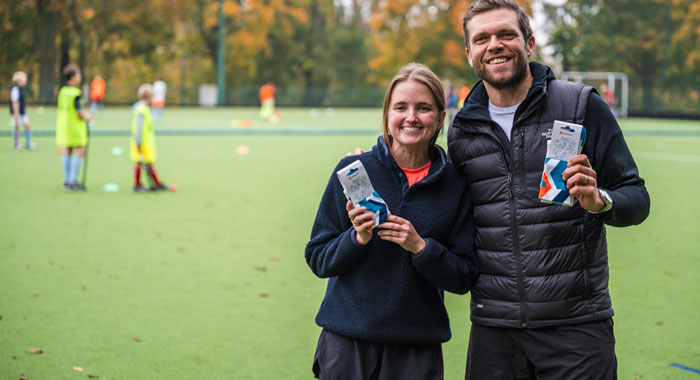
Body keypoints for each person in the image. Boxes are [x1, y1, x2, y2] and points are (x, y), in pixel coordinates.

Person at [447, 1, 650, 379]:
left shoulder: (578, 104)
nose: (495, 45)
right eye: (482, 38)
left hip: (576, 327)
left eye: (506, 34)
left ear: (529, 43)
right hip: (494, 331)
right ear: (469, 52)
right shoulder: (461, 128)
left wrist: (599, 201)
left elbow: (636, 197)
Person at [306, 63, 479, 380]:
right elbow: (317, 257)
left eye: (423, 108)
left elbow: (464, 276)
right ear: (387, 115)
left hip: (416, 347)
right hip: (347, 344)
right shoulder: (353, 170)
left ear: (441, 117)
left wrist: (422, 248)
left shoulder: (455, 184)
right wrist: (356, 239)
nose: (411, 117)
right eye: (401, 107)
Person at [56, 64, 92, 191]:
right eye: (78, 74)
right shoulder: (75, 92)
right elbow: (79, 112)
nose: (80, 77)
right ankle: (73, 181)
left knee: (67, 151)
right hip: (75, 127)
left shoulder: (62, 91)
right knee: (80, 151)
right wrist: (87, 117)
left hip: (64, 126)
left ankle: (66, 181)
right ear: (73, 77)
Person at [130, 83, 167, 192]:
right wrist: (138, 142)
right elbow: (139, 128)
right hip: (142, 143)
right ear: (149, 97)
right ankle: (137, 185)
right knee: (140, 162)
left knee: (147, 163)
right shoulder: (141, 109)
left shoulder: (143, 108)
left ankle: (156, 183)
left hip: (145, 142)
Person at [9, 71, 34, 151]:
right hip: (17, 113)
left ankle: (28, 143)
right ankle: (16, 144)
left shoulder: (21, 89)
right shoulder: (15, 90)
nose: (25, 81)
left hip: (22, 113)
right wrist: (16, 114)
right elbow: (15, 102)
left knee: (27, 126)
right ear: (18, 81)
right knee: (16, 128)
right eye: (23, 80)